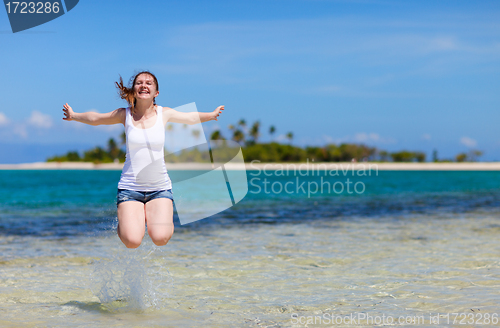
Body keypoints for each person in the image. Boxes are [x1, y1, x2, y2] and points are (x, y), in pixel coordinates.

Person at [62, 71, 225, 248]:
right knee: (132, 242)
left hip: (160, 188)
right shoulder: (124, 114)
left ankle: (148, 217)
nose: (143, 85)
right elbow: (96, 119)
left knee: (160, 238)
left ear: (156, 92)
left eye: (149, 83)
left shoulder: (164, 113)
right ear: (134, 90)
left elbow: (190, 117)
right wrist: (74, 115)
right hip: (130, 188)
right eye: (139, 82)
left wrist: (211, 115)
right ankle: (127, 224)